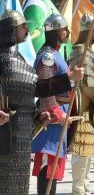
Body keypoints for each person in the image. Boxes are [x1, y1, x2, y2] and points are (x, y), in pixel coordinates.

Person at [1, 10, 79, 195]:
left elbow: (29, 91)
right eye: (22, 26)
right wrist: (56, 111)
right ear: (11, 30)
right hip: (6, 133)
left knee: (18, 184)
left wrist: (36, 116)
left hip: (21, 130)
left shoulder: (18, 59)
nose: (27, 29)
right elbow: (39, 88)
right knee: (44, 166)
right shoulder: (6, 59)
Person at [32, 13, 73, 195]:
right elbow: (45, 90)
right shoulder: (47, 56)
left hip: (60, 113)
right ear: (55, 31)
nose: (66, 32)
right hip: (51, 116)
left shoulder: (57, 54)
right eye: (63, 29)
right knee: (48, 164)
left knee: (55, 165)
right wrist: (58, 112)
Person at [68, 14, 94, 195]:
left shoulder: (90, 53)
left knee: (89, 153)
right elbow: (88, 85)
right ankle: (78, 189)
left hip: (92, 110)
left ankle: (86, 187)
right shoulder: (79, 52)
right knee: (81, 153)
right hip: (82, 108)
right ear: (89, 32)